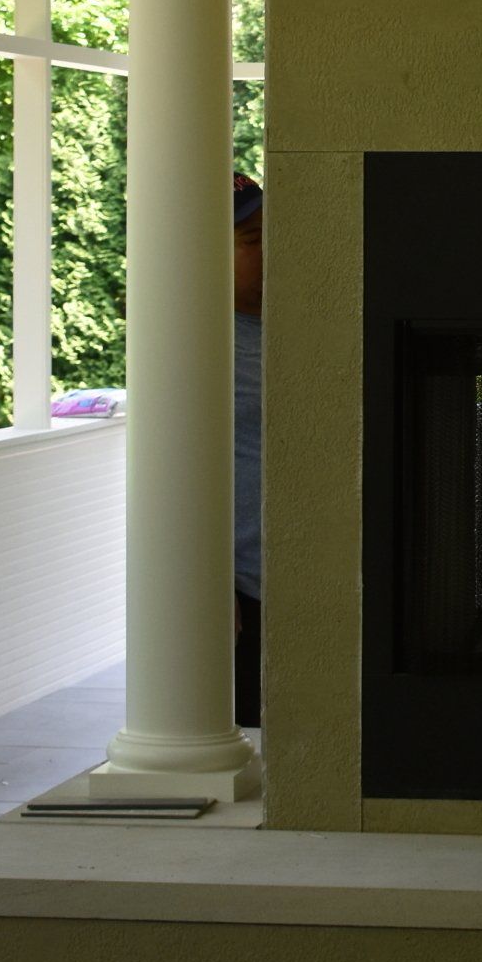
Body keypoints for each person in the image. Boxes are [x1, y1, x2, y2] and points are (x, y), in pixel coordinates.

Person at [232, 172, 264, 727]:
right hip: (240, 592)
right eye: (254, 241)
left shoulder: (309, 327)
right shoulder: (193, 344)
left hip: (307, 575)